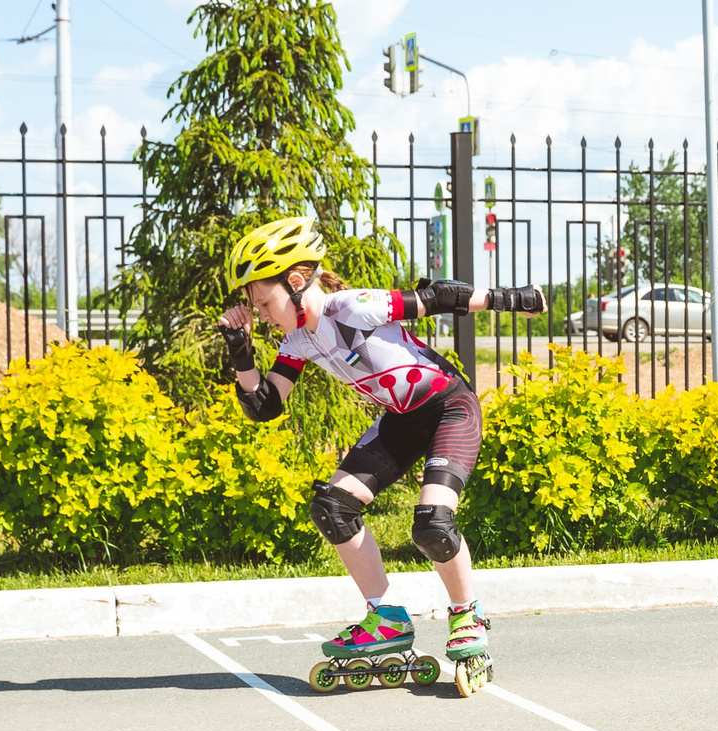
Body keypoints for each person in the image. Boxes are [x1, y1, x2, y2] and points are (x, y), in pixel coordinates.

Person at [218, 216, 544, 690]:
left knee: (432, 523)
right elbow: (265, 406)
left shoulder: (351, 307)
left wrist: (512, 300)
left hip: (450, 407)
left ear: (295, 282)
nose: (263, 314)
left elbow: (437, 298)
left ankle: (466, 616)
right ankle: (385, 617)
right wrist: (241, 354)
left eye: (265, 302)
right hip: (402, 422)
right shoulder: (297, 341)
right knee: (332, 507)